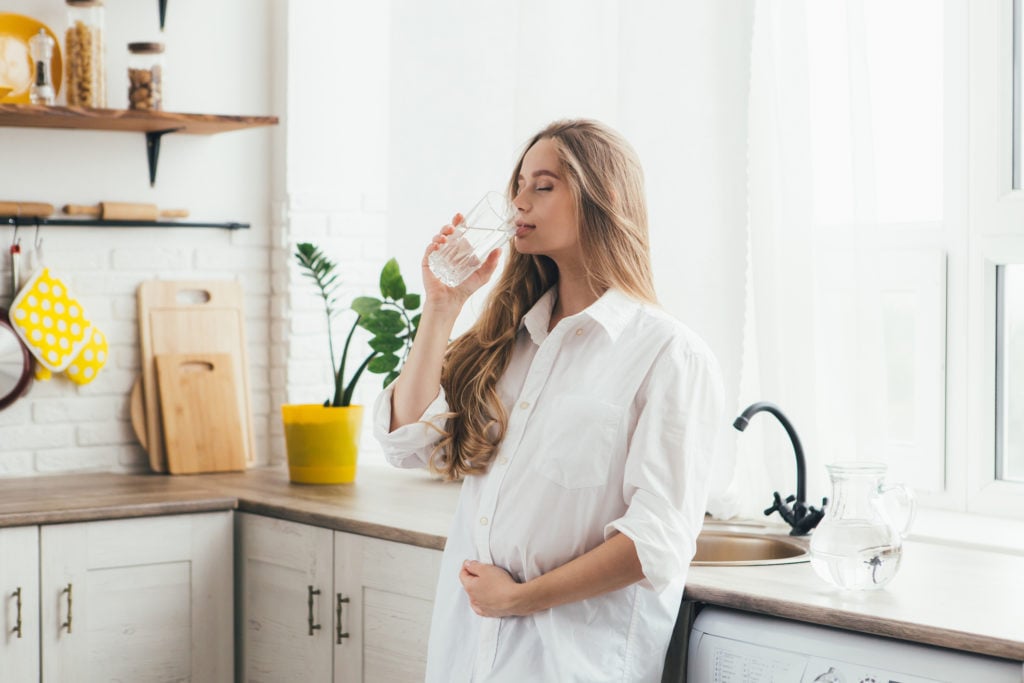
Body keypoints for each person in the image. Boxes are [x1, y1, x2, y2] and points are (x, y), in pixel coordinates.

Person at [374, 119, 724, 682]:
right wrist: (441, 308)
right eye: (517, 186)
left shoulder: (668, 355)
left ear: (602, 197)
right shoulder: (510, 342)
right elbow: (407, 442)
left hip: (571, 665)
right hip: (469, 656)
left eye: (543, 185)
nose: (518, 202)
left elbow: (655, 541)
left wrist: (522, 599)